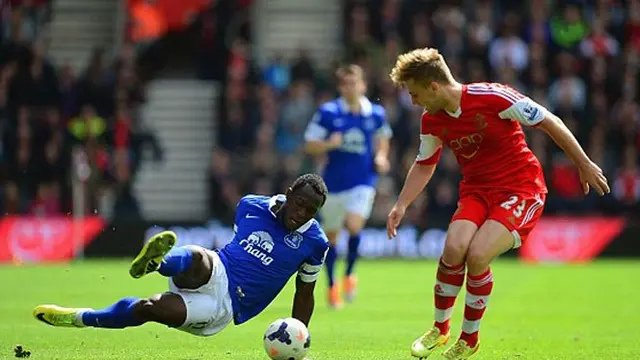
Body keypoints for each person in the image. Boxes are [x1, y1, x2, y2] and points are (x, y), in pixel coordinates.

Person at [386, 48, 610, 359]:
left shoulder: (494, 97)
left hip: (521, 190)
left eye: (415, 93)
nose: (413, 101)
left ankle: (469, 339)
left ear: (433, 86)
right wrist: (401, 205)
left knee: (477, 255)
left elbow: (549, 120)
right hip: (477, 191)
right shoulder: (432, 120)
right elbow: (425, 163)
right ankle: (440, 328)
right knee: (453, 249)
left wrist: (583, 163)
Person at [34, 174, 330, 345]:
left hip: (223, 306)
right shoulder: (251, 205)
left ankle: (79, 317)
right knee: (199, 257)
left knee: (150, 308)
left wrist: (298, 334)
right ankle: (158, 262)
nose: (301, 214)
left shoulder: (315, 243)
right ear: (289, 194)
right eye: (300, 204)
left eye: (310, 211)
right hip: (220, 267)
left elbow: (305, 292)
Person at [304, 64, 392, 309]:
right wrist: (328, 144)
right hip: (333, 183)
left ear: (363, 85)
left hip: (363, 181)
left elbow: (383, 138)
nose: (350, 87)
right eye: (345, 83)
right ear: (340, 87)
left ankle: (350, 274)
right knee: (331, 238)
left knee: (354, 225)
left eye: (355, 82)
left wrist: (381, 157)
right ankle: (332, 285)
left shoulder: (375, 113)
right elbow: (310, 144)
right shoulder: (329, 112)